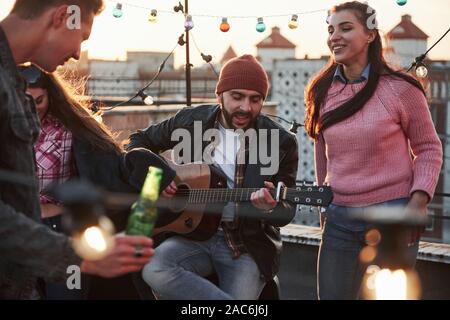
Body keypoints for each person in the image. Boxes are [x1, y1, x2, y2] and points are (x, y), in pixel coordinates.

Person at [0, 0, 153, 299]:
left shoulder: (13, 82)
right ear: (63, 15)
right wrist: (79, 256)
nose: (76, 53)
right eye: (82, 37)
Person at [127, 54, 299, 300]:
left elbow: (287, 209)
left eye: (255, 99)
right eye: (237, 97)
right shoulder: (190, 120)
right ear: (219, 96)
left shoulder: (282, 142)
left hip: (246, 245)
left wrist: (270, 208)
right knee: (154, 267)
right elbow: (136, 144)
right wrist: (159, 179)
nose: (245, 107)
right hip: (192, 235)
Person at [304, 1, 443, 300]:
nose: (334, 37)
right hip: (339, 219)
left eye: (345, 28)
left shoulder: (401, 88)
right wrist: (323, 206)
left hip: (392, 217)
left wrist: (418, 203)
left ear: (369, 34)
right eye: (330, 30)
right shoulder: (321, 90)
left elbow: (429, 148)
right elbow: (321, 150)